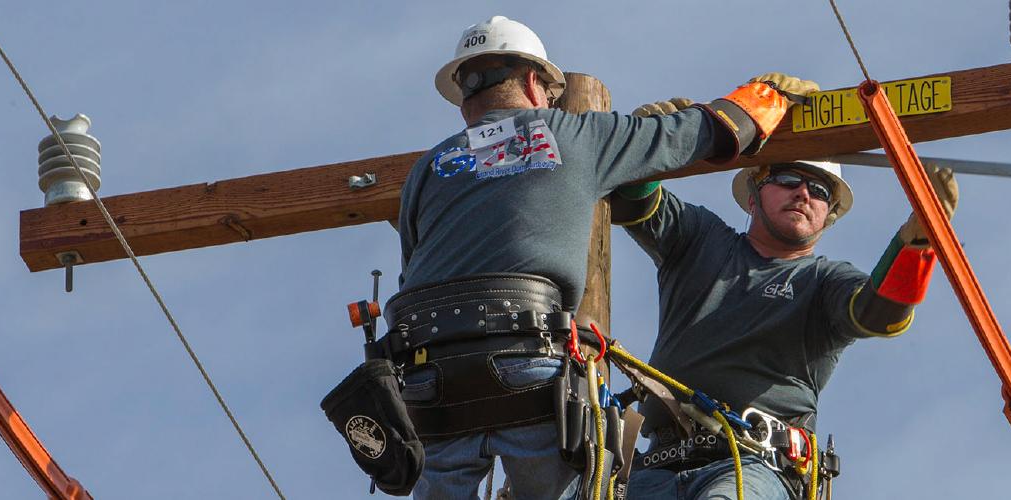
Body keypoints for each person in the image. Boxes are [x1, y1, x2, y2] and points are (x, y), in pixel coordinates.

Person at [324, 15, 820, 500]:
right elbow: (708, 132)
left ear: (464, 99)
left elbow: (417, 269)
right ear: (535, 82)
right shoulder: (574, 134)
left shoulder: (429, 169)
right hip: (526, 358)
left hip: (429, 373)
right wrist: (765, 96)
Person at [609, 99, 960, 499]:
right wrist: (652, 142)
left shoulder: (823, 280)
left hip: (757, 467)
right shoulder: (701, 241)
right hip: (656, 468)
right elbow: (632, 202)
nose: (803, 194)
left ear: (829, 215)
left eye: (819, 189)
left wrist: (913, 248)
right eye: (789, 179)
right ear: (755, 192)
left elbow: (878, 314)